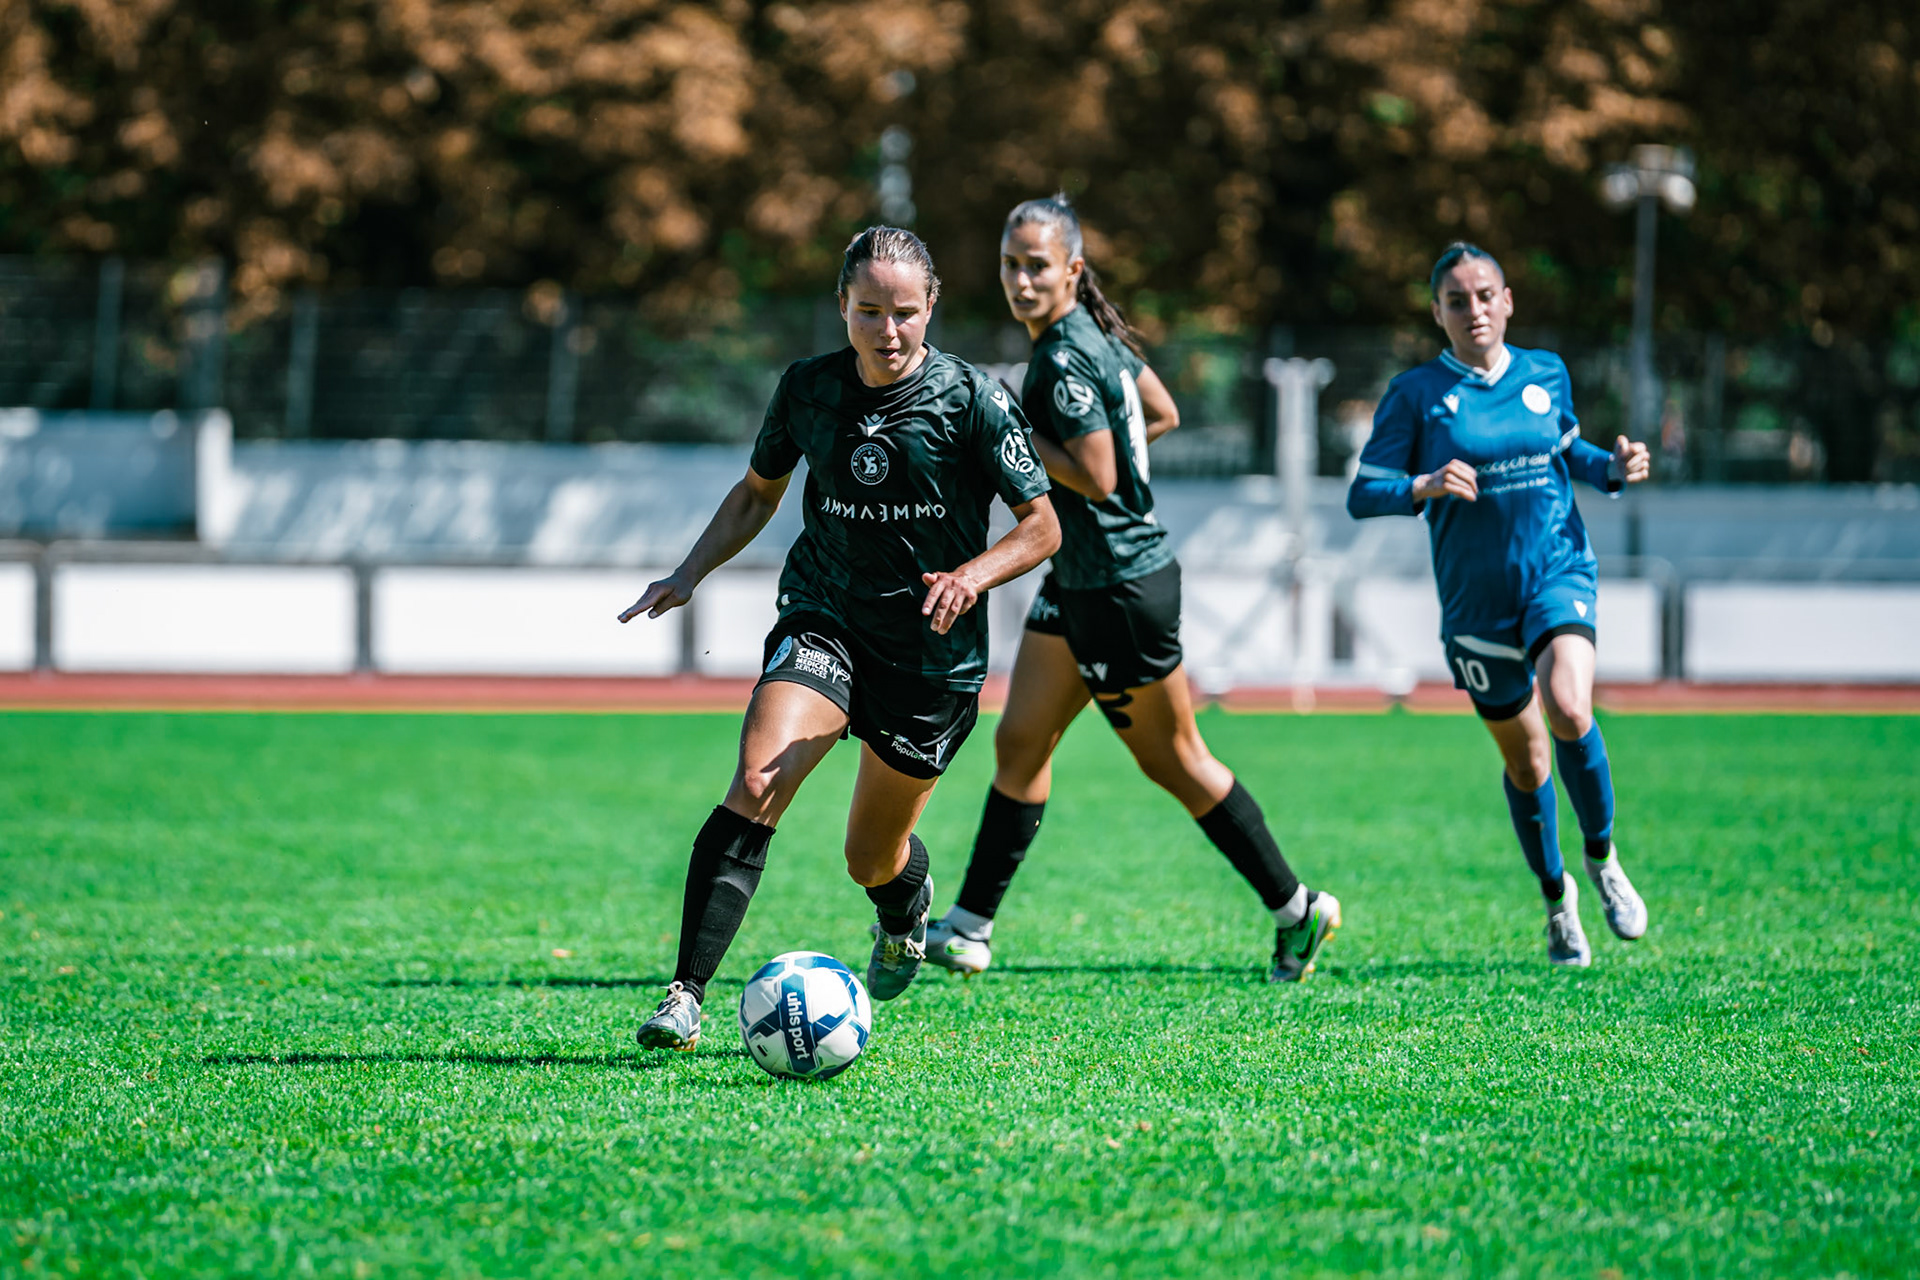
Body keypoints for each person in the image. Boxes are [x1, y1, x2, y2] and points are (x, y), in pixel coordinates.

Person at [618, 226, 1059, 1049]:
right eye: (867, 312)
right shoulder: (807, 391)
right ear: (842, 309)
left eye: (903, 314)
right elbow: (757, 495)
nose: (886, 333)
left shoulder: (973, 400)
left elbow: (1041, 527)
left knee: (870, 857)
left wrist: (971, 576)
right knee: (756, 779)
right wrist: (689, 573)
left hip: (931, 656)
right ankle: (685, 994)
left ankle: (903, 906)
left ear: (931, 309)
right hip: (825, 616)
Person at [921, 195, 1341, 985]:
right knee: (1019, 744)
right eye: (1010, 264)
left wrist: (1008, 427)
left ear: (1073, 270)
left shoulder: (1060, 358)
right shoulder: (1094, 340)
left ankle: (1298, 909)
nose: (1020, 279)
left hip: (1118, 588)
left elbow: (1099, 470)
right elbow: (1163, 411)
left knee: (1178, 763)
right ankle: (971, 927)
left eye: (1036, 264)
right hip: (1080, 581)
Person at [1347, 241, 1652, 966]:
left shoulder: (1546, 372)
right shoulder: (1416, 394)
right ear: (1437, 313)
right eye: (1458, 300)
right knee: (1527, 762)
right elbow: (1364, 491)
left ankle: (1604, 861)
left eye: (1486, 296)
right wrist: (1420, 485)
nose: (1474, 310)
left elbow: (1568, 450)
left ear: (1508, 300)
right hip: (1475, 606)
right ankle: (1557, 899)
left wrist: (1611, 468)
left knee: (1570, 705)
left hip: (1555, 570)